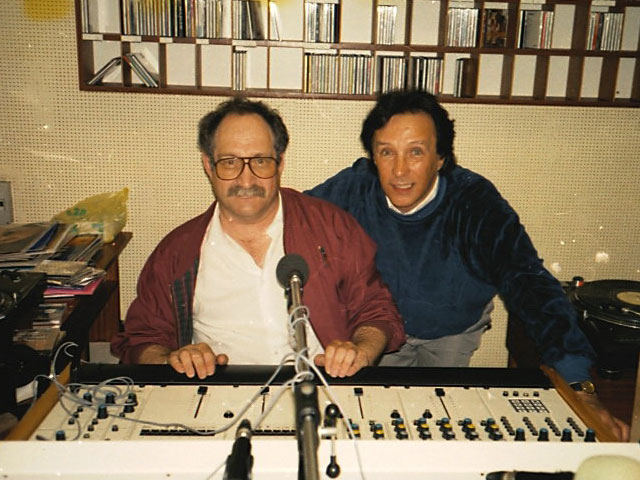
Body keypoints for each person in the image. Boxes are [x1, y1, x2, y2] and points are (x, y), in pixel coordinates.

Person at [306, 90, 629, 440]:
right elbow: (290, 220)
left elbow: (529, 283)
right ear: (373, 157)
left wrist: (579, 383)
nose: (399, 170)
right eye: (387, 152)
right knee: (380, 424)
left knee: (436, 424)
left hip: (452, 330)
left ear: (441, 157)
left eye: (416, 152)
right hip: (378, 332)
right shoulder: (353, 188)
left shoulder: (475, 202)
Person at [111, 97, 404, 380]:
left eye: (261, 161)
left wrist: (361, 351)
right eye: (229, 162)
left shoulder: (333, 227)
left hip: (321, 387)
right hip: (222, 396)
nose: (246, 180)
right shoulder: (178, 251)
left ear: (280, 163)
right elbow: (142, 338)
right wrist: (171, 361)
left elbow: (376, 311)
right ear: (208, 165)